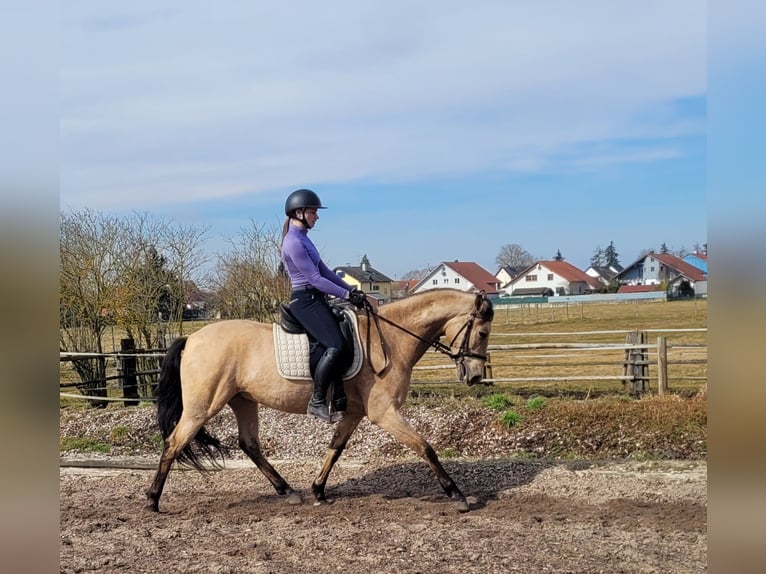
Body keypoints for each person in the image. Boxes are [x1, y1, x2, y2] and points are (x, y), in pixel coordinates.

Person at [280, 189, 367, 423]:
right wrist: (346, 295)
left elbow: (326, 272)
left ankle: (340, 396)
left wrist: (352, 290)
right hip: (305, 300)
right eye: (313, 212)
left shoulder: (304, 239)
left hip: (316, 299)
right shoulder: (293, 243)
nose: (316, 216)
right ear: (299, 212)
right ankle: (317, 401)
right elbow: (314, 279)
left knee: (344, 335)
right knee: (336, 345)